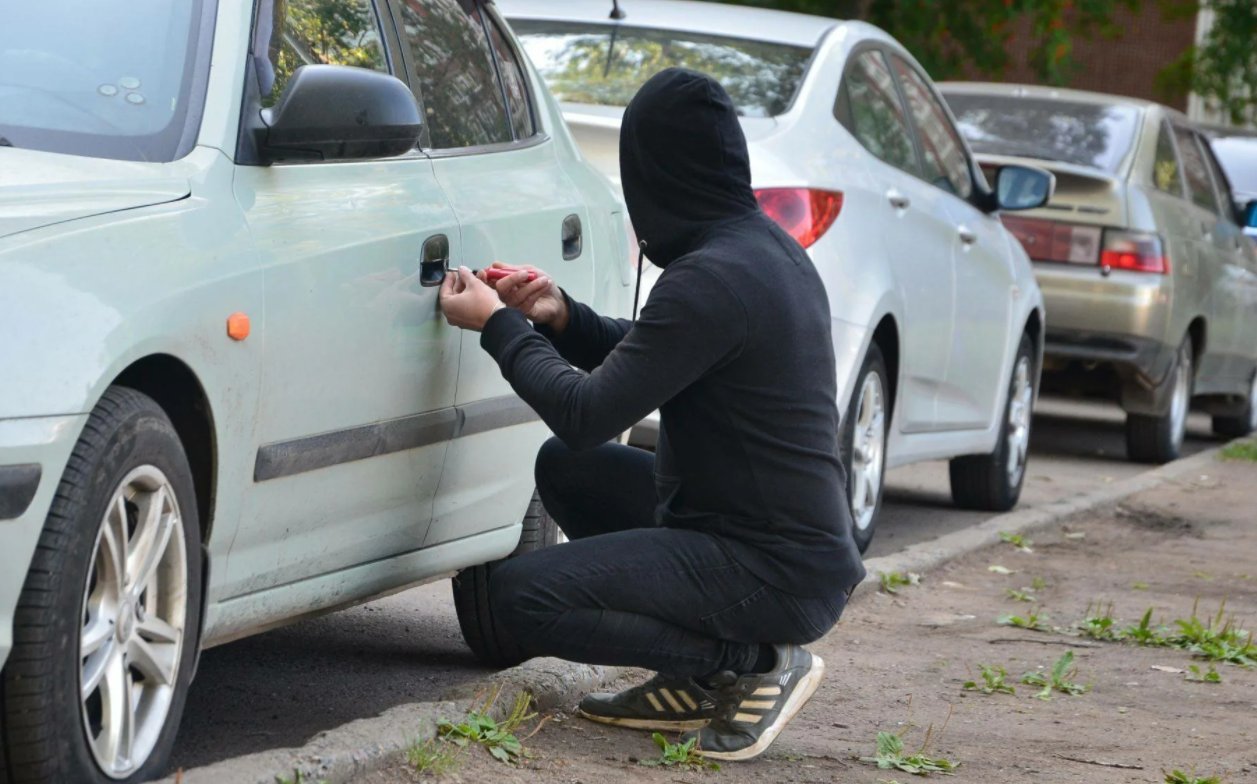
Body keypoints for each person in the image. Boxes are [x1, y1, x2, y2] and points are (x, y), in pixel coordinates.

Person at [438, 67, 866, 761]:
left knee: (520, 598)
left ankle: (745, 663)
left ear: (654, 175)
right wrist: (559, 316)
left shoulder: (712, 278)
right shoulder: (757, 252)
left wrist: (498, 328)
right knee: (568, 471)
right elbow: (658, 356)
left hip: (770, 568)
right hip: (765, 540)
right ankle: (697, 680)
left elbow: (583, 412)